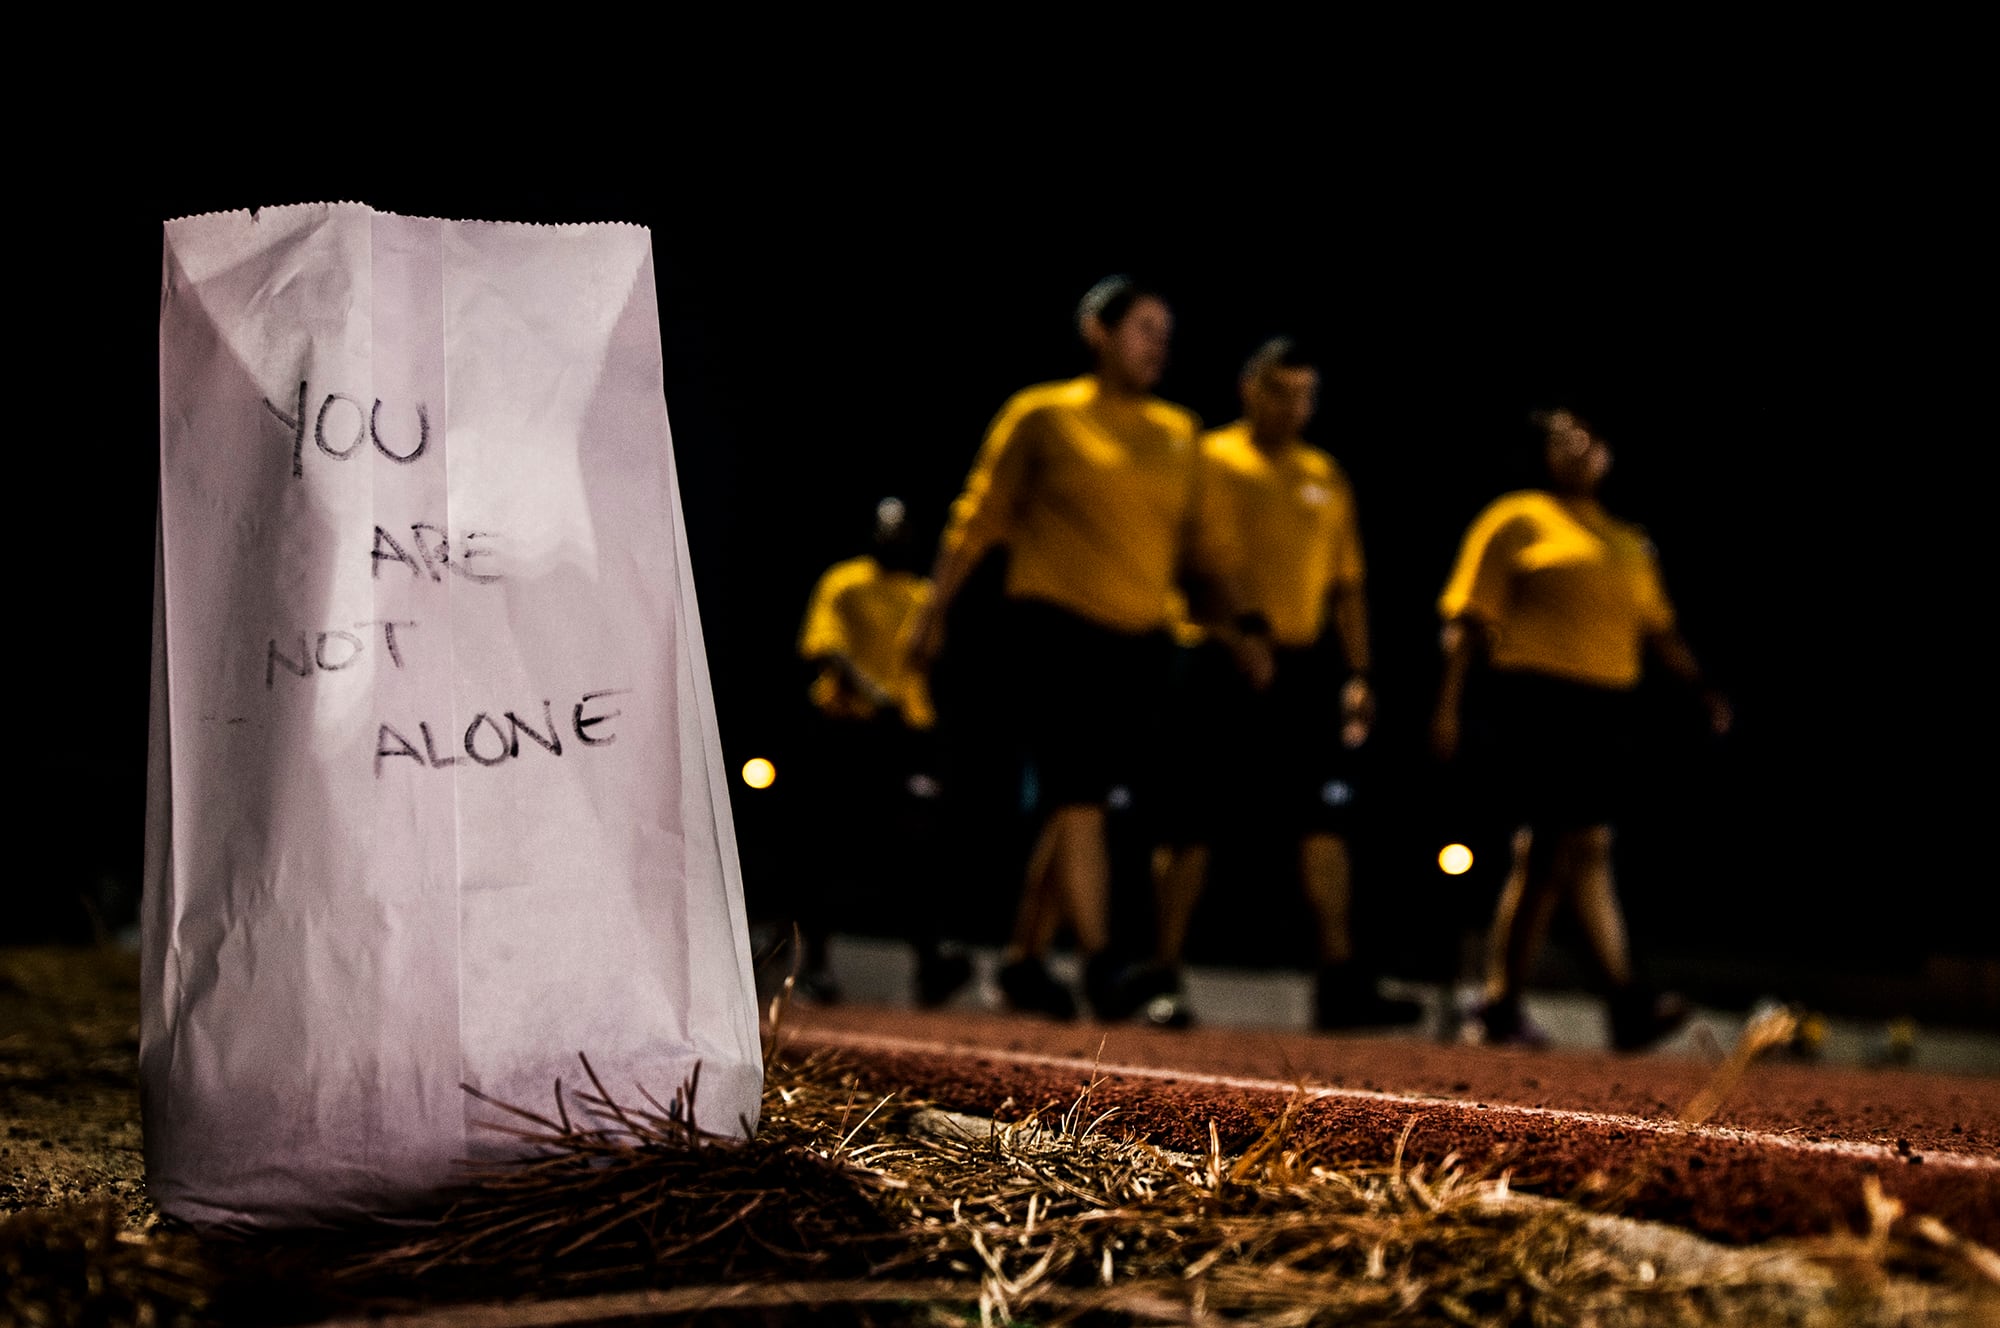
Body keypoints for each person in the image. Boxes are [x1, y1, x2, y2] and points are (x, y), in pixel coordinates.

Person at [904, 276, 1248, 1019]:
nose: (1159, 344)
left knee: (1078, 802)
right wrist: (933, 612)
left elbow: (1206, 551)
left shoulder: (1179, 432)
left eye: (1166, 331)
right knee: (1081, 792)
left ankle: (1025, 960)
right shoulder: (1044, 415)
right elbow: (980, 517)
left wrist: (1237, 626)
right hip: (1053, 631)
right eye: (1144, 327)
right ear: (1097, 329)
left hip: (1142, 641)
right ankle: (1104, 966)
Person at [1431, 407, 1731, 1050]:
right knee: (1561, 844)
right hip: (1538, 701)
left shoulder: (1625, 539)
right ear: (1543, 453)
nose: (1580, 452)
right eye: (1564, 442)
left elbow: (1659, 630)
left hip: (1607, 708)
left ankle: (1507, 1003)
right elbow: (1467, 621)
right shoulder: (1515, 517)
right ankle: (1618, 997)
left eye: (1591, 441)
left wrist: (1701, 689)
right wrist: (1447, 707)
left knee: (1562, 851)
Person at [1150, 338, 1422, 1030]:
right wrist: (1237, 633)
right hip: (1214, 656)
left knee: (1323, 823)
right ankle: (1160, 973)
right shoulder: (1208, 457)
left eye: (1306, 394)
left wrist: (1358, 673)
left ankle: (1339, 981)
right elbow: (1183, 556)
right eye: (1280, 390)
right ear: (1249, 388)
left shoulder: (1325, 475)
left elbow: (1348, 585)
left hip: (1303, 667)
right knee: (1192, 821)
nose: (1293, 407)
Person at [793, 497, 972, 1006]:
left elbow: (936, 657)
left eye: (904, 531)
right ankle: (814, 967)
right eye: (886, 530)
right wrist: (873, 693)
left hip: (906, 737)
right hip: (846, 733)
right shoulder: (844, 582)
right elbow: (826, 647)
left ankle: (929, 963)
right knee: (826, 846)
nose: (895, 539)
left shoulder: (923, 594)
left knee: (919, 847)